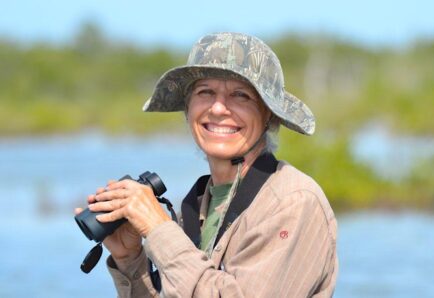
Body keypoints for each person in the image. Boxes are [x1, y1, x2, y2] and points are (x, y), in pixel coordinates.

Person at [78, 32, 338, 297]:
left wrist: (158, 228)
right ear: (188, 109)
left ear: (268, 114)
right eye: (205, 92)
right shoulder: (198, 203)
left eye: (241, 95)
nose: (218, 108)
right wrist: (131, 260)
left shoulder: (291, 202)